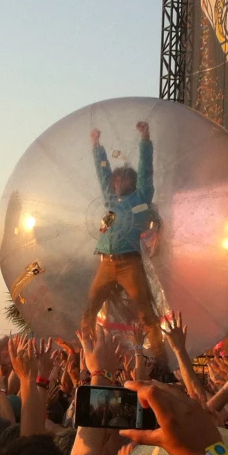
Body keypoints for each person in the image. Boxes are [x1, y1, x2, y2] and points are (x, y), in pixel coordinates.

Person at [81, 122, 165, 365]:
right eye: (116, 180)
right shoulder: (110, 200)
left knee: (144, 310)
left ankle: (160, 360)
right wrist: (96, 145)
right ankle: (85, 355)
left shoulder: (141, 196)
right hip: (106, 262)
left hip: (129, 262)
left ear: (132, 182)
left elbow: (145, 169)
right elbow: (102, 172)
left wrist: (145, 138)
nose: (117, 182)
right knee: (90, 307)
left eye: (123, 179)